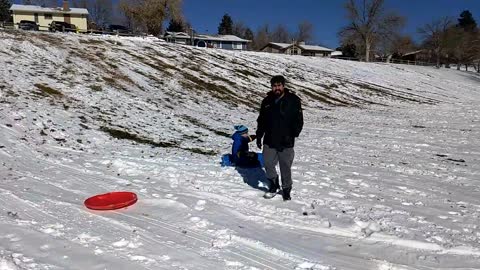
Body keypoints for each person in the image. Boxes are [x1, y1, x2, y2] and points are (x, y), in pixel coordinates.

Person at [256, 75, 303, 201]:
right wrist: (259, 135)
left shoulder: (293, 100)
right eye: (274, 86)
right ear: (271, 87)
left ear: (283, 86)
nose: (277, 88)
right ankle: (274, 185)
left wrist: (293, 134)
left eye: (279, 85)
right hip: (269, 139)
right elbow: (261, 120)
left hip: (286, 140)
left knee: (285, 167)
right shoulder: (266, 101)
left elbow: (299, 121)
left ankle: (286, 189)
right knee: (268, 163)